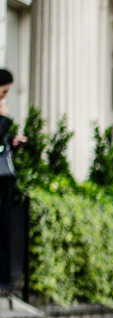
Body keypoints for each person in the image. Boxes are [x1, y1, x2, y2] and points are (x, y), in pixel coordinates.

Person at [0, 68, 25, 291]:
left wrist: (12, 143)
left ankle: (4, 280)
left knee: (4, 228)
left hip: (4, 176)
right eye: (4, 91)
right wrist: (4, 118)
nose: (5, 96)